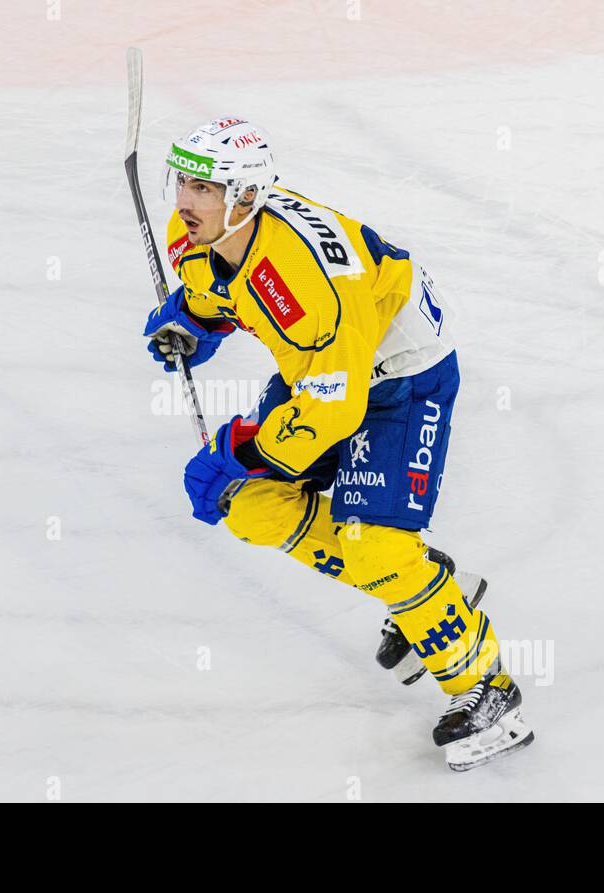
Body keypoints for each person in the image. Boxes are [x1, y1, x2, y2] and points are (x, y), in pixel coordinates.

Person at [143, 117, 533, 771]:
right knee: (250, 505)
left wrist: (237, 446)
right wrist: (192, 319)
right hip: (331, 372)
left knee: (375, 547)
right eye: (182, 180)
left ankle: (486, 688)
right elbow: (218, 291)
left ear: (244, 197)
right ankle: (433, 585)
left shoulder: (304, 283)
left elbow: (334, 407)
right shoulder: (204, 232)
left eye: (202, 187)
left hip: (401, 376)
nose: (184, 200)